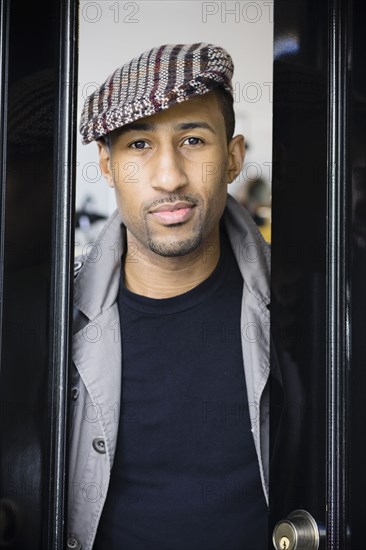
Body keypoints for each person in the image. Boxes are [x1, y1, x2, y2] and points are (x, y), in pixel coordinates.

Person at [68, 43, 271, 550]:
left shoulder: (309, 305)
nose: (169, 177)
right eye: (138, 145)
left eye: (193, 140)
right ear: (107, 166)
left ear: (232, 157)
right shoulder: (51, 313)